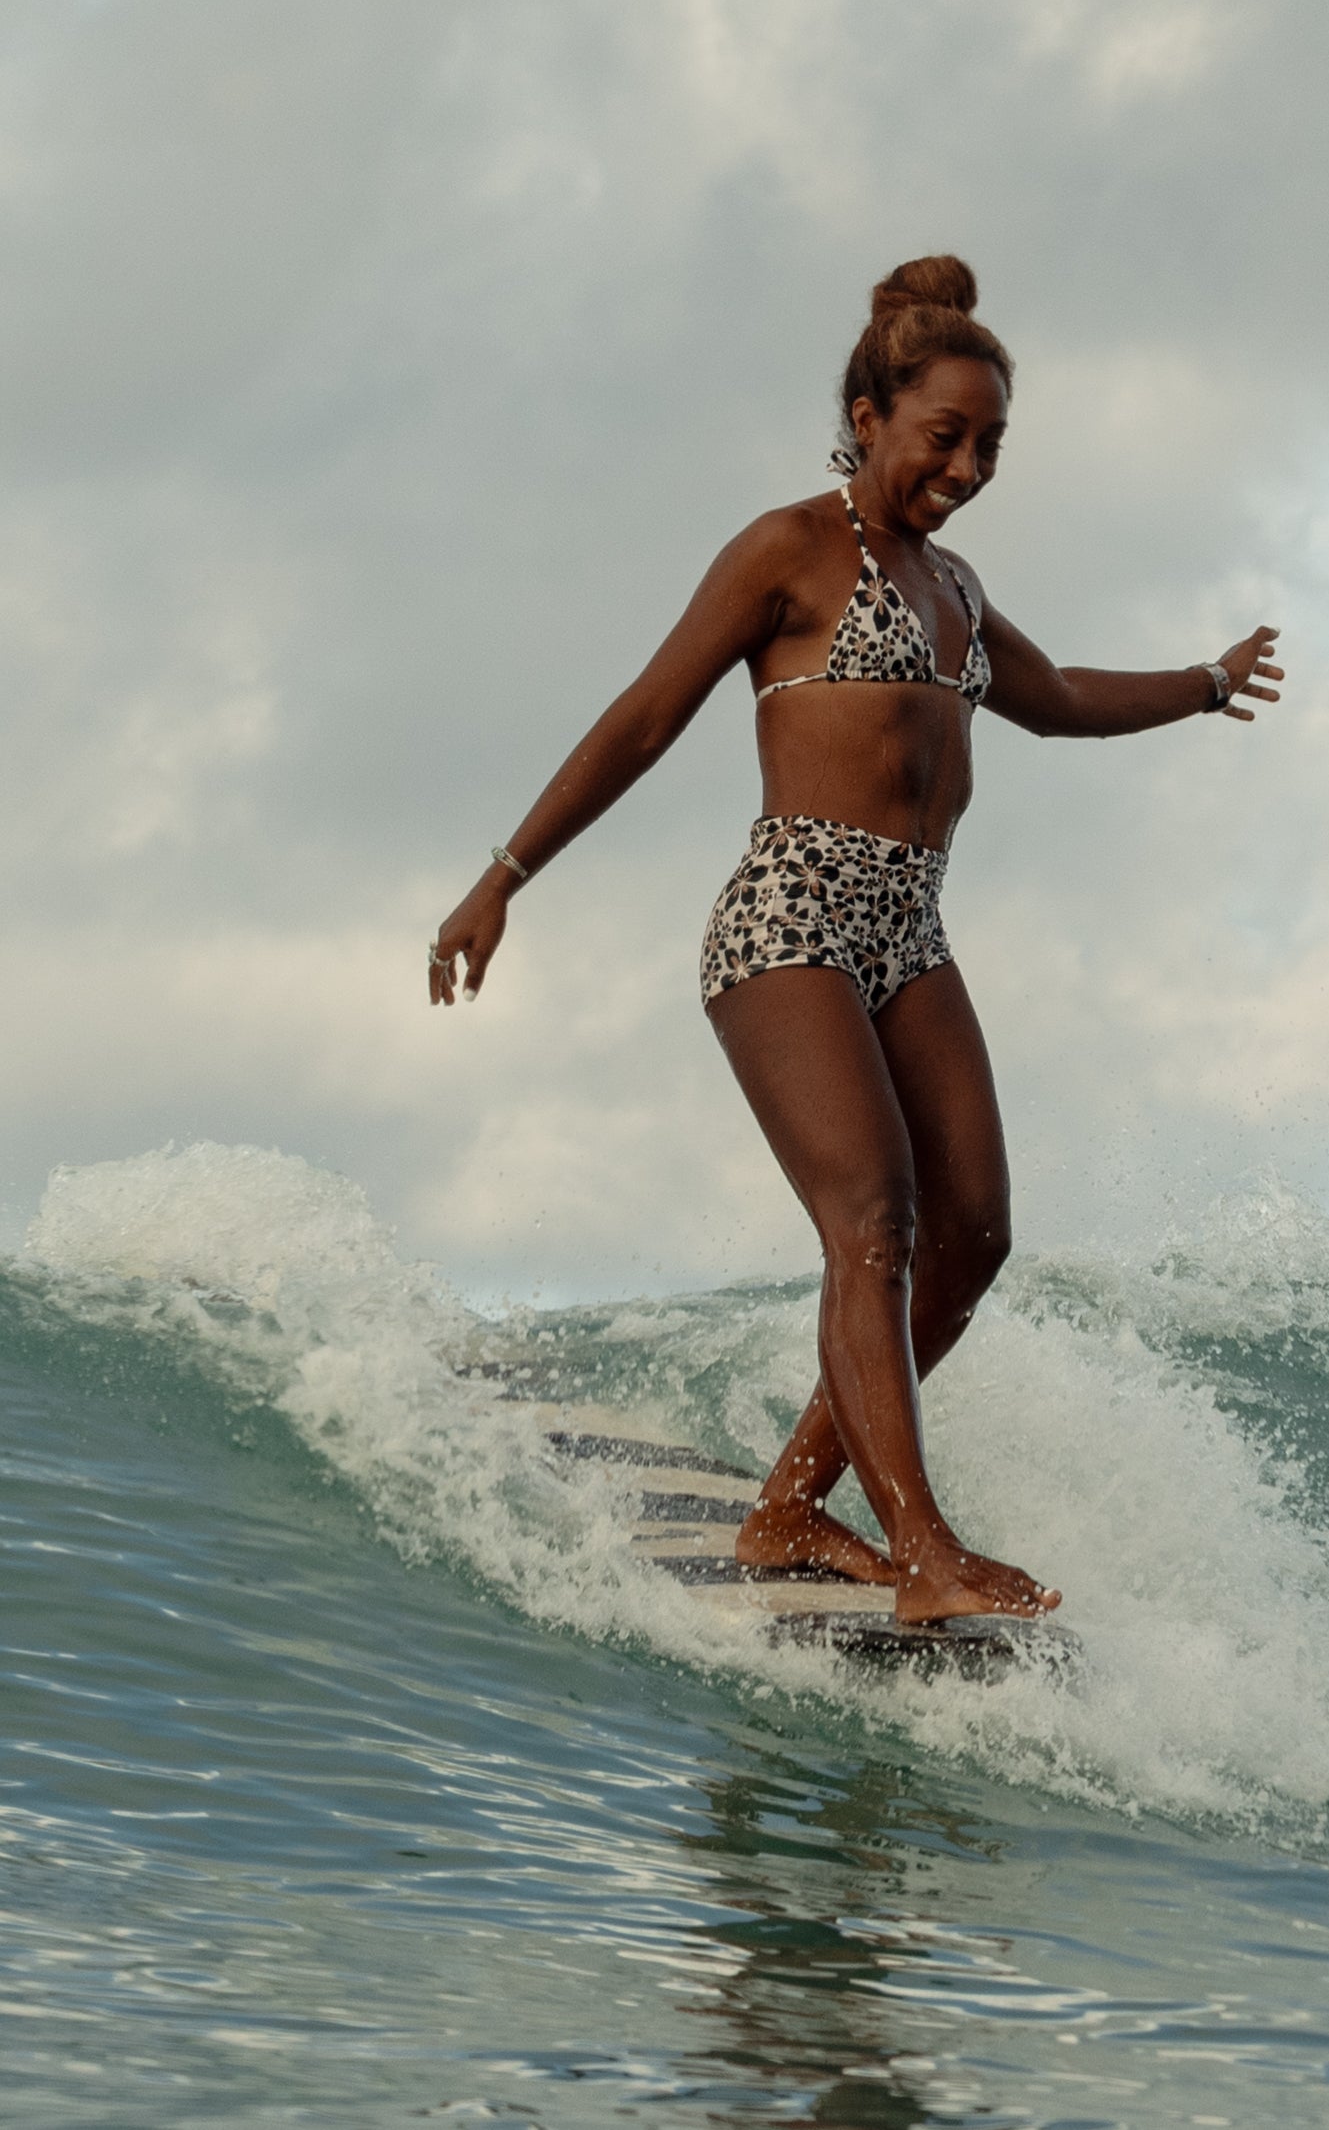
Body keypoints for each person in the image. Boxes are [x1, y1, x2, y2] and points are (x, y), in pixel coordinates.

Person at [424, 255, 1282, 1628]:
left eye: (991, 441)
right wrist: (504, 874)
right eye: (946, 432)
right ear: (869, 413)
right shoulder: (788, 550)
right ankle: (923, 1550)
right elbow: (646, 714)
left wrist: (1199, 684)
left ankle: (784, 1514)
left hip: (908, 927)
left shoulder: (952, 583)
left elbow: (1051, 696)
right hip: (790, 915)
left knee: (977, 1235)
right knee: (873, 1223)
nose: (970, 462)